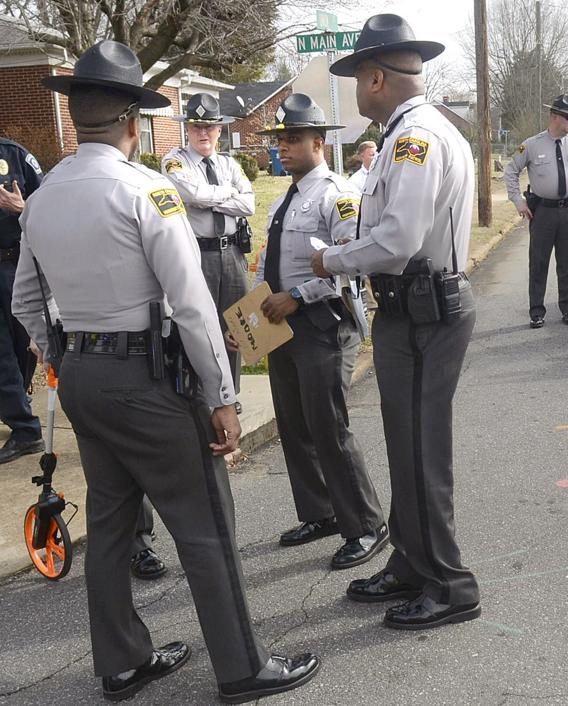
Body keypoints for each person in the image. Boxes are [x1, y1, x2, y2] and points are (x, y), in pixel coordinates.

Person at [12, 40, 318, 703]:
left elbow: (26, 304)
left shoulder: (42, 197)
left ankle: (120, 662)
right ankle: (241, 668)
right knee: (204, 521)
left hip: (84, 376)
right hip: (149, 380)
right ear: (130, 121)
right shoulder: (147, 190)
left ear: (77, 113)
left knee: (114, 521)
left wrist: (62, 359)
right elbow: (191, 306)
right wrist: (223, 395)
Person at [312, 13, 481, 630]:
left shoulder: (415, 139)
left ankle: (450, 584)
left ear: (375, 77)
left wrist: (329, 258)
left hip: (423, 308)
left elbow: (398, 239)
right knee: (408, 446)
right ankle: (413, 562)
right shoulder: (416, 133)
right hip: (415, 309)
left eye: (357, 78)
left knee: (421, 450)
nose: (356, 92)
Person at [248, 93, 388, 570]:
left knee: (328, 426)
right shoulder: (287, 196)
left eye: (292, 139)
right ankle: (320, 512)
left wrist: (297, 296)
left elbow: (352, 262)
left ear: (318, 143)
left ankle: (367, 525)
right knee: (294, 423)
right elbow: (273, 261)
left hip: (323, 324)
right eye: (279, 141)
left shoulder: (336, 193)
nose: (282, 148)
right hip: (282, 327)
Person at [161, 93, 254, 395]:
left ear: (219, 130)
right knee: (201, 324)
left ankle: (231, 392)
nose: (203, 133)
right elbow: (192, 195)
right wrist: (227, 194)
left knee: (236, 324)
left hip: (233, 253)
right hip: (198, 255)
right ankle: (202, 393)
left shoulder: (229, 163)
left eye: (209, 127)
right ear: (187, 129)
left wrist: (211, 198)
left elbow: (249, 204)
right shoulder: (175, 161)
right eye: (196, 126)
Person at [503, 94, 568, 328]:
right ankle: (536, 312)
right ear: (553, 116)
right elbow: (511, 171)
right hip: (542, 212)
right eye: (567, 117)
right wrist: (518, 201)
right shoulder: (532, 145)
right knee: (539, 263)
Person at [0, 136, 43, 464]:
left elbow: (49, 207)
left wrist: (23, 208)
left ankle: (17, 402)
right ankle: (25, 428)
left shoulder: (16, 155)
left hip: (16, 264)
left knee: (23, 344)